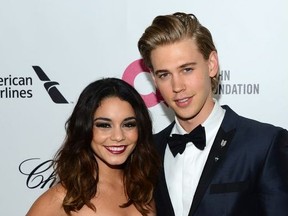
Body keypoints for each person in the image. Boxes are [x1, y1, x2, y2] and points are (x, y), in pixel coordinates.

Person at [138, 12, 288, 216]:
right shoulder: (149, 151)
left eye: (187, 70)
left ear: (211, 65)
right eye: (164, 74)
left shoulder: (264, 144)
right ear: (155, 81)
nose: (177, 86)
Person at [26, 77, 160, 216]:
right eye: (104, 125)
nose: (118, 136)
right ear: (85, 128)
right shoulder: (63, 199)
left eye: (129, 124)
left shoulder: (144, 189)